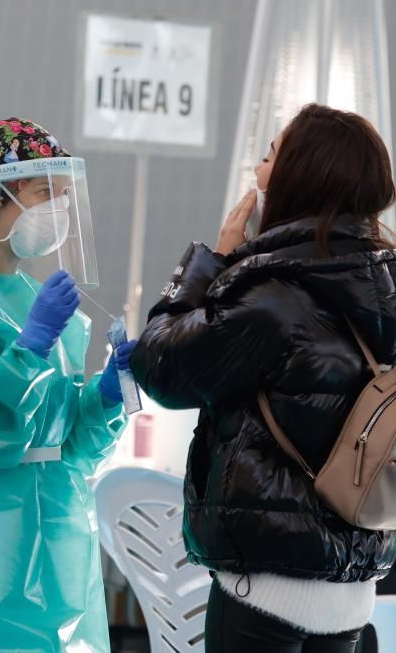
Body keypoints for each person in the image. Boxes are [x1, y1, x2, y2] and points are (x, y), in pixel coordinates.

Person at [130, 104, 396, 653]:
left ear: (302, 173)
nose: (257, 169)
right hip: (355, 584)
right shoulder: (384, 285)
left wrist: (211, 261)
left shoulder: (275, 298)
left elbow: (160, 367)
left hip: (269, 586)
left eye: (271, 155)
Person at [0, 118, 135, 652]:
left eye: (64, 197)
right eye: (46, 194)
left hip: (61, 548)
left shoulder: (43, 302)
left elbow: (70, 451)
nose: (57, 213)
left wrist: (108, 397)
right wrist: (29, 349)